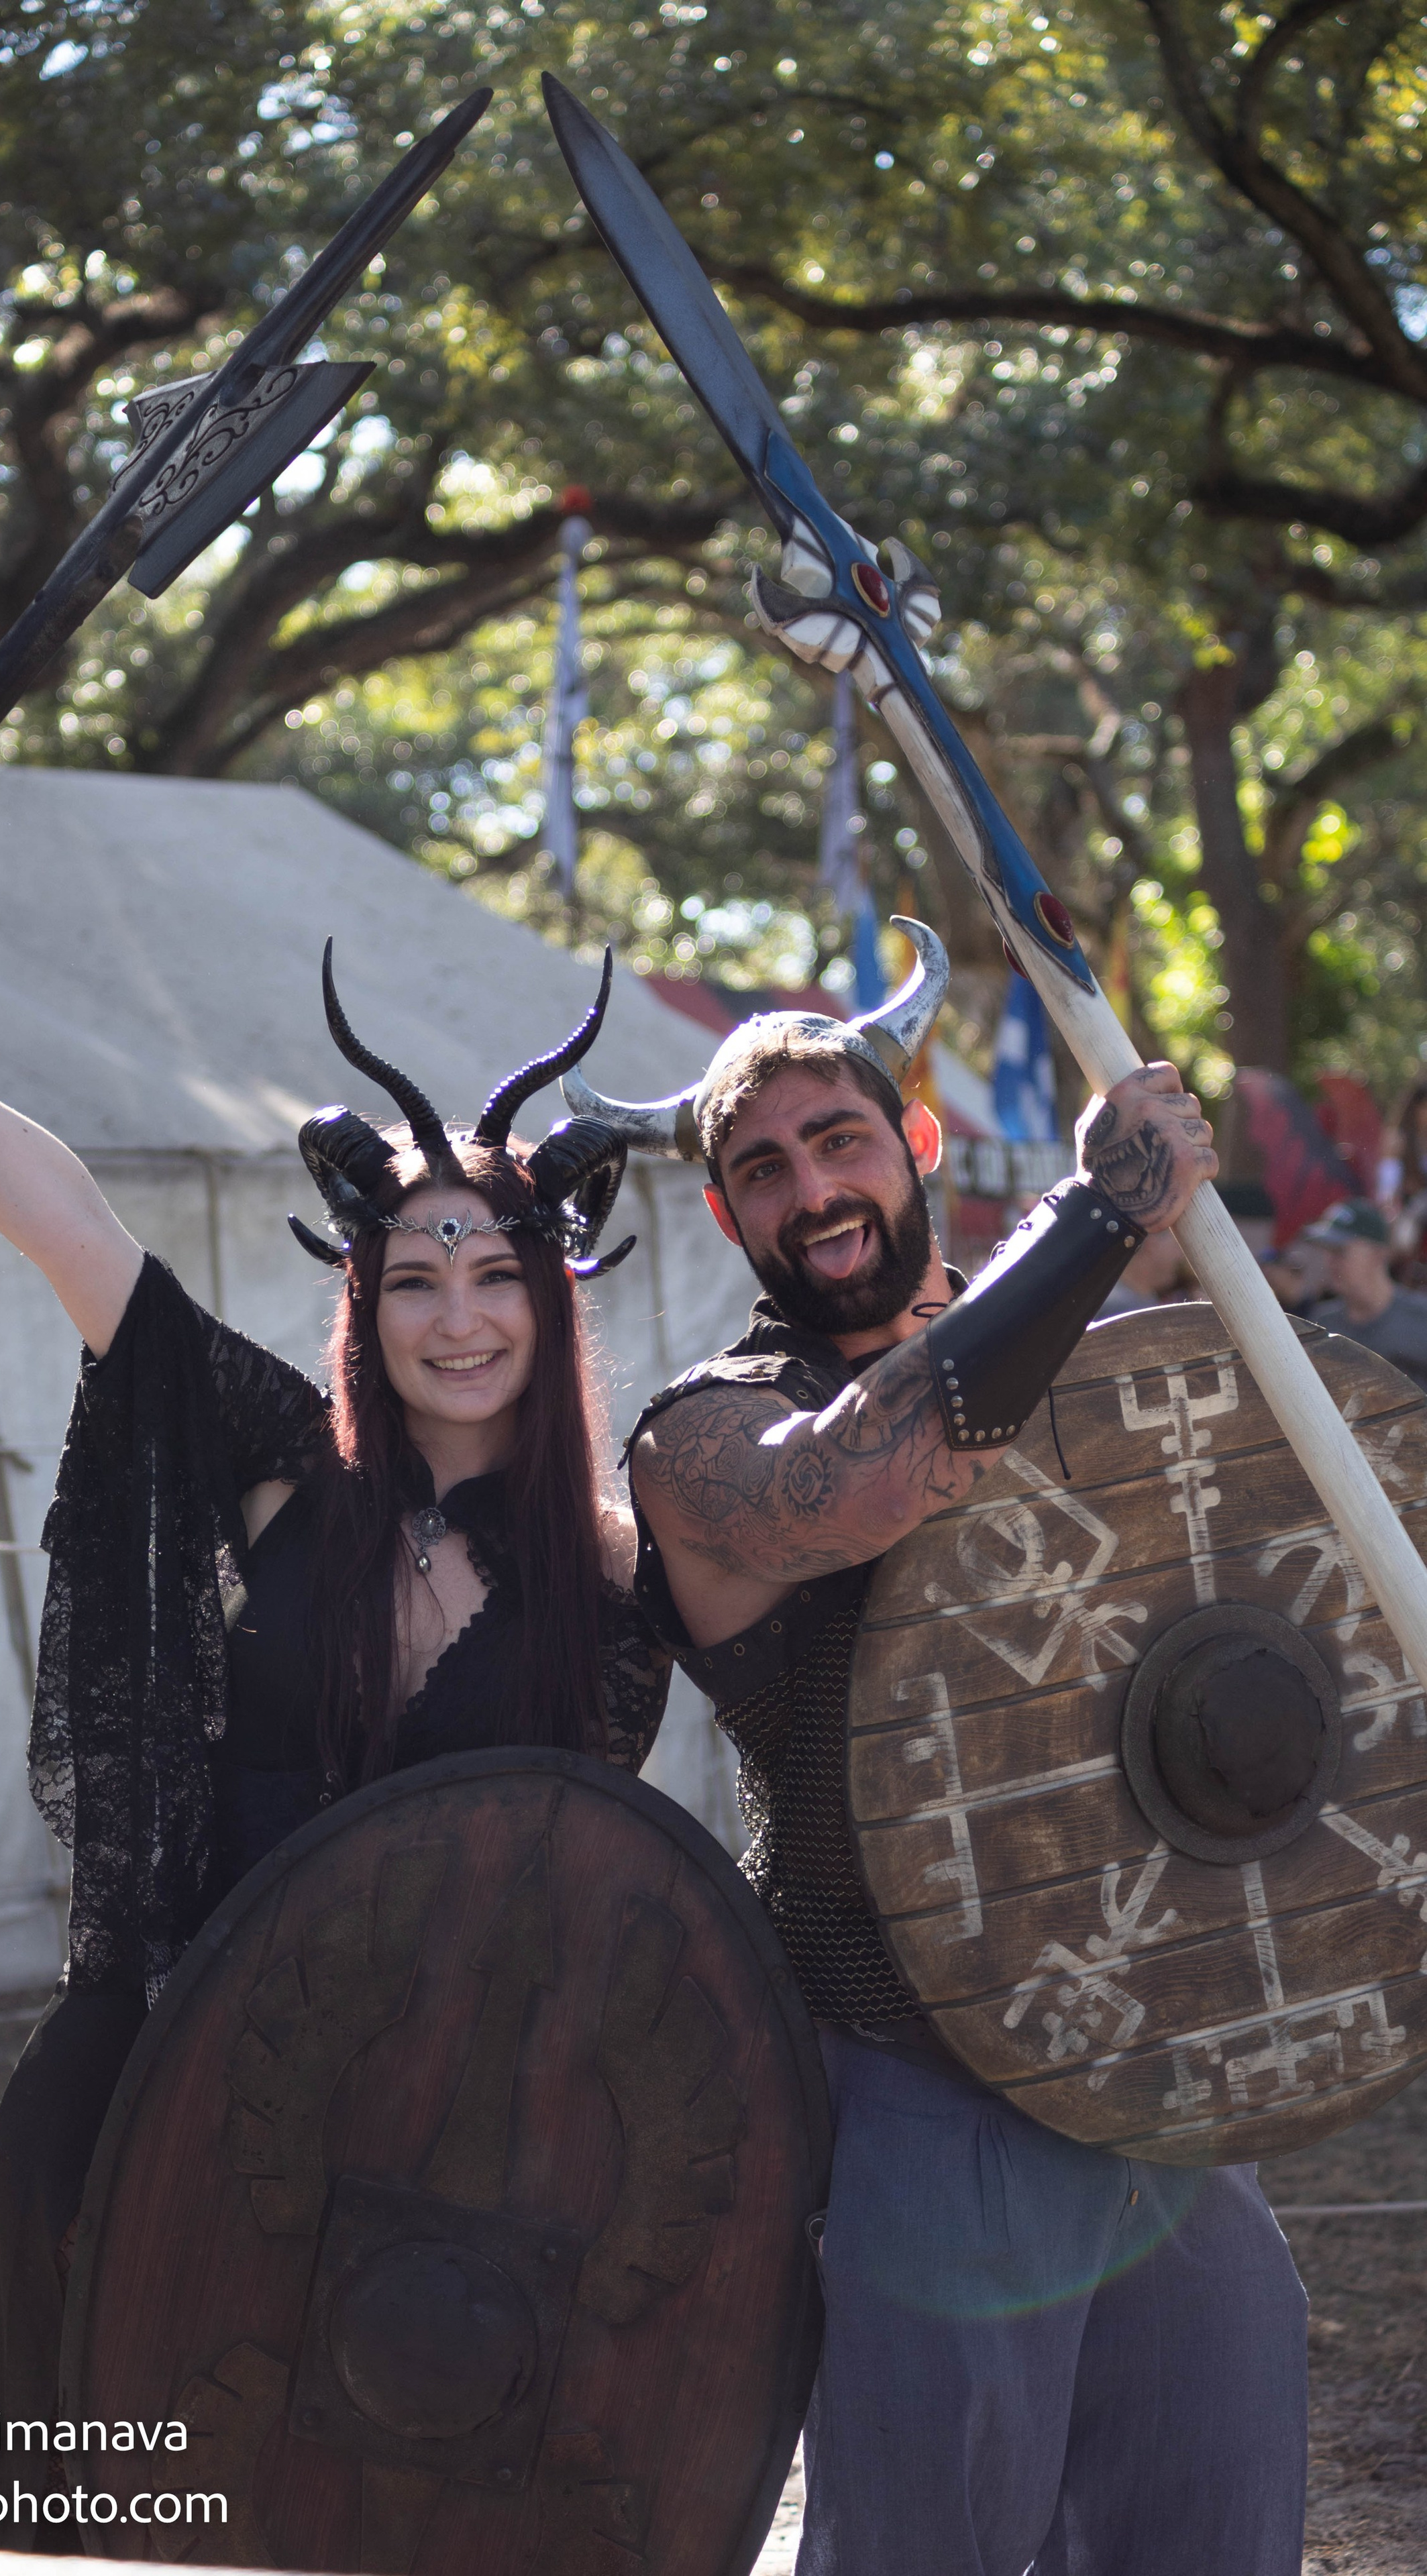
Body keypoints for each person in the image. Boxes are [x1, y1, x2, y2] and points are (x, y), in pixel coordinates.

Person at [0, 869, 672, 2548]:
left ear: (550, 1295)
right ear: (362, 1301)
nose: (454, 1317)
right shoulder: (273, 1469)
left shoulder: (615, 1574)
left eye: (490, 1277)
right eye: (411, 1279)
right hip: (165, 2037)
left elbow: (581, 1887)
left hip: (425, 2115)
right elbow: (63, 1216)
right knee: (75, 2421)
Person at [568, 930, 1308, 2576]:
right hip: (912, 2080)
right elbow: (864, 1478)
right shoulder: (701, 1438)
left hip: (1152, 2068)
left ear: (912, 1142)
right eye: (759, 1168)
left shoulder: (1088, 1360)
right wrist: (1093, 1215)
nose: (807, 1187)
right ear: (723, 1215)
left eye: (839, 1139)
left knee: (1216, 2535)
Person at [1303, 1197, 1427, 1391]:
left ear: (1378, 1254)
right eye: (1328, 1251)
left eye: (1340, 1250)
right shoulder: (1321, 1323)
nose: (1330, 1262)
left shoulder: (1421, 1318)